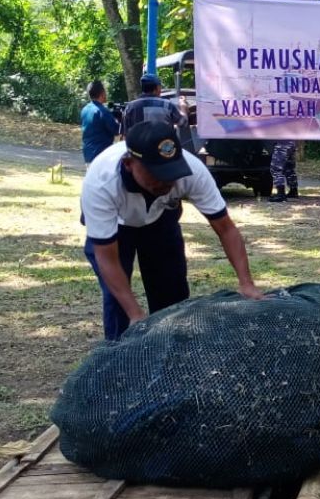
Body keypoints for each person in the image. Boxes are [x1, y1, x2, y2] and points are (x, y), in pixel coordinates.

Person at [81, 120, 263, 340]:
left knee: (171, 294)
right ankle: (118, 356)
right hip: (117, 226)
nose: (167, 181)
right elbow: (107, 258)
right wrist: (136, 314)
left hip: (160, 221)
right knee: (118, 301)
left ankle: (170, 349)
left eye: (171, 171)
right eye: (156, 173)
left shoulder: (192, 171)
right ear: (129, 163)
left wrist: (246, 283)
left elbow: (226, 229)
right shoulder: (101, 182)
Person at [122, 73, 190, 144]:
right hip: (163, 150)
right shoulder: (167, 105)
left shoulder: (130, 107)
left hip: (138, 150)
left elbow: (125, 134)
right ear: (157, 88)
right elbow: (183, 123)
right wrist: (183, 106)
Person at [80, 80, 120, 165]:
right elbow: (116, 130)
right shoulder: (103, 111)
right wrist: (119, 120)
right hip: (101, 155)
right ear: (102, 93)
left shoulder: (85, 109)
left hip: (88, 154)